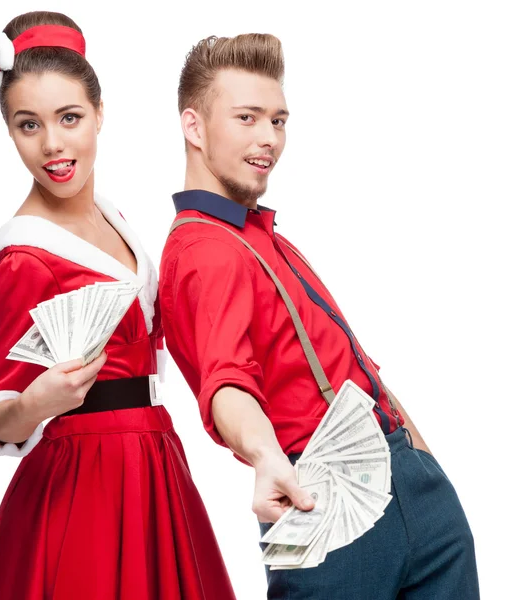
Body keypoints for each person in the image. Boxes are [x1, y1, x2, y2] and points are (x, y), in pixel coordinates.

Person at [159, 33, 480, 599]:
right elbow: (225, 382)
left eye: (278, 120)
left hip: (417, 493)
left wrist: (425, 465)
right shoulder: (203, 252)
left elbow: (354, 366)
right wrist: (263, 455)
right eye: (247, 118)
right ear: (194, 127)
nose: (269, 139)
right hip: (318, 500)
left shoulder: (260, 233)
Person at [0, 12, 235, 600]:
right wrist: (37, 403)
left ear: (99, 114)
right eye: (27, 125)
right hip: (81, 484)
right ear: (9, 132)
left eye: (69, 118)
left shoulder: (115, 218)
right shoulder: (22, 254)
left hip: (155, 461)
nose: (53, 145)